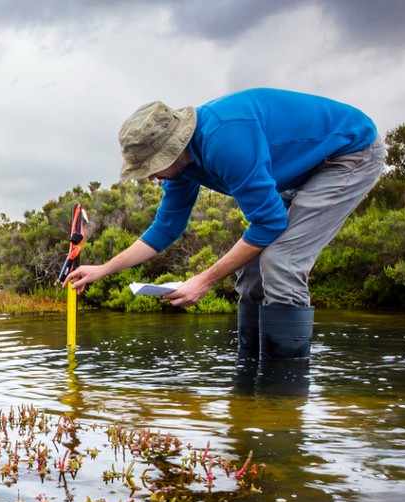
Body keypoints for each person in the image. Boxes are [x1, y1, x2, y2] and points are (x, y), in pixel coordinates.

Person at [64, 88, 386, 361]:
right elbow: (166, 227)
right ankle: (249, 381)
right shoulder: (183, 166)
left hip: (348, 154)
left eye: (154, 166)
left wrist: (204, 281)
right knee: (249, 267)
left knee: (280, 260)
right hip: (303, 167)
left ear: (175, 148)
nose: (151, 176)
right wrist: (103, 269)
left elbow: (270, 222)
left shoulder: (226, 140)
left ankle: (283, 394)